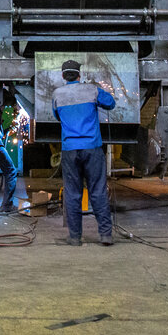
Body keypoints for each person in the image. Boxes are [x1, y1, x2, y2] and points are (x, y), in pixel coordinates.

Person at [51, 59, 116, 246]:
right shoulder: (92, 90)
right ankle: (105, 235)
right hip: (92, 148)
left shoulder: (57, 94)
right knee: (97, 190)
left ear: (63, 76)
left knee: (72, 193)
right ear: (79, 75)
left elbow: (57, 116)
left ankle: (74, 237)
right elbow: (110, 103)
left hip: (70, 150)